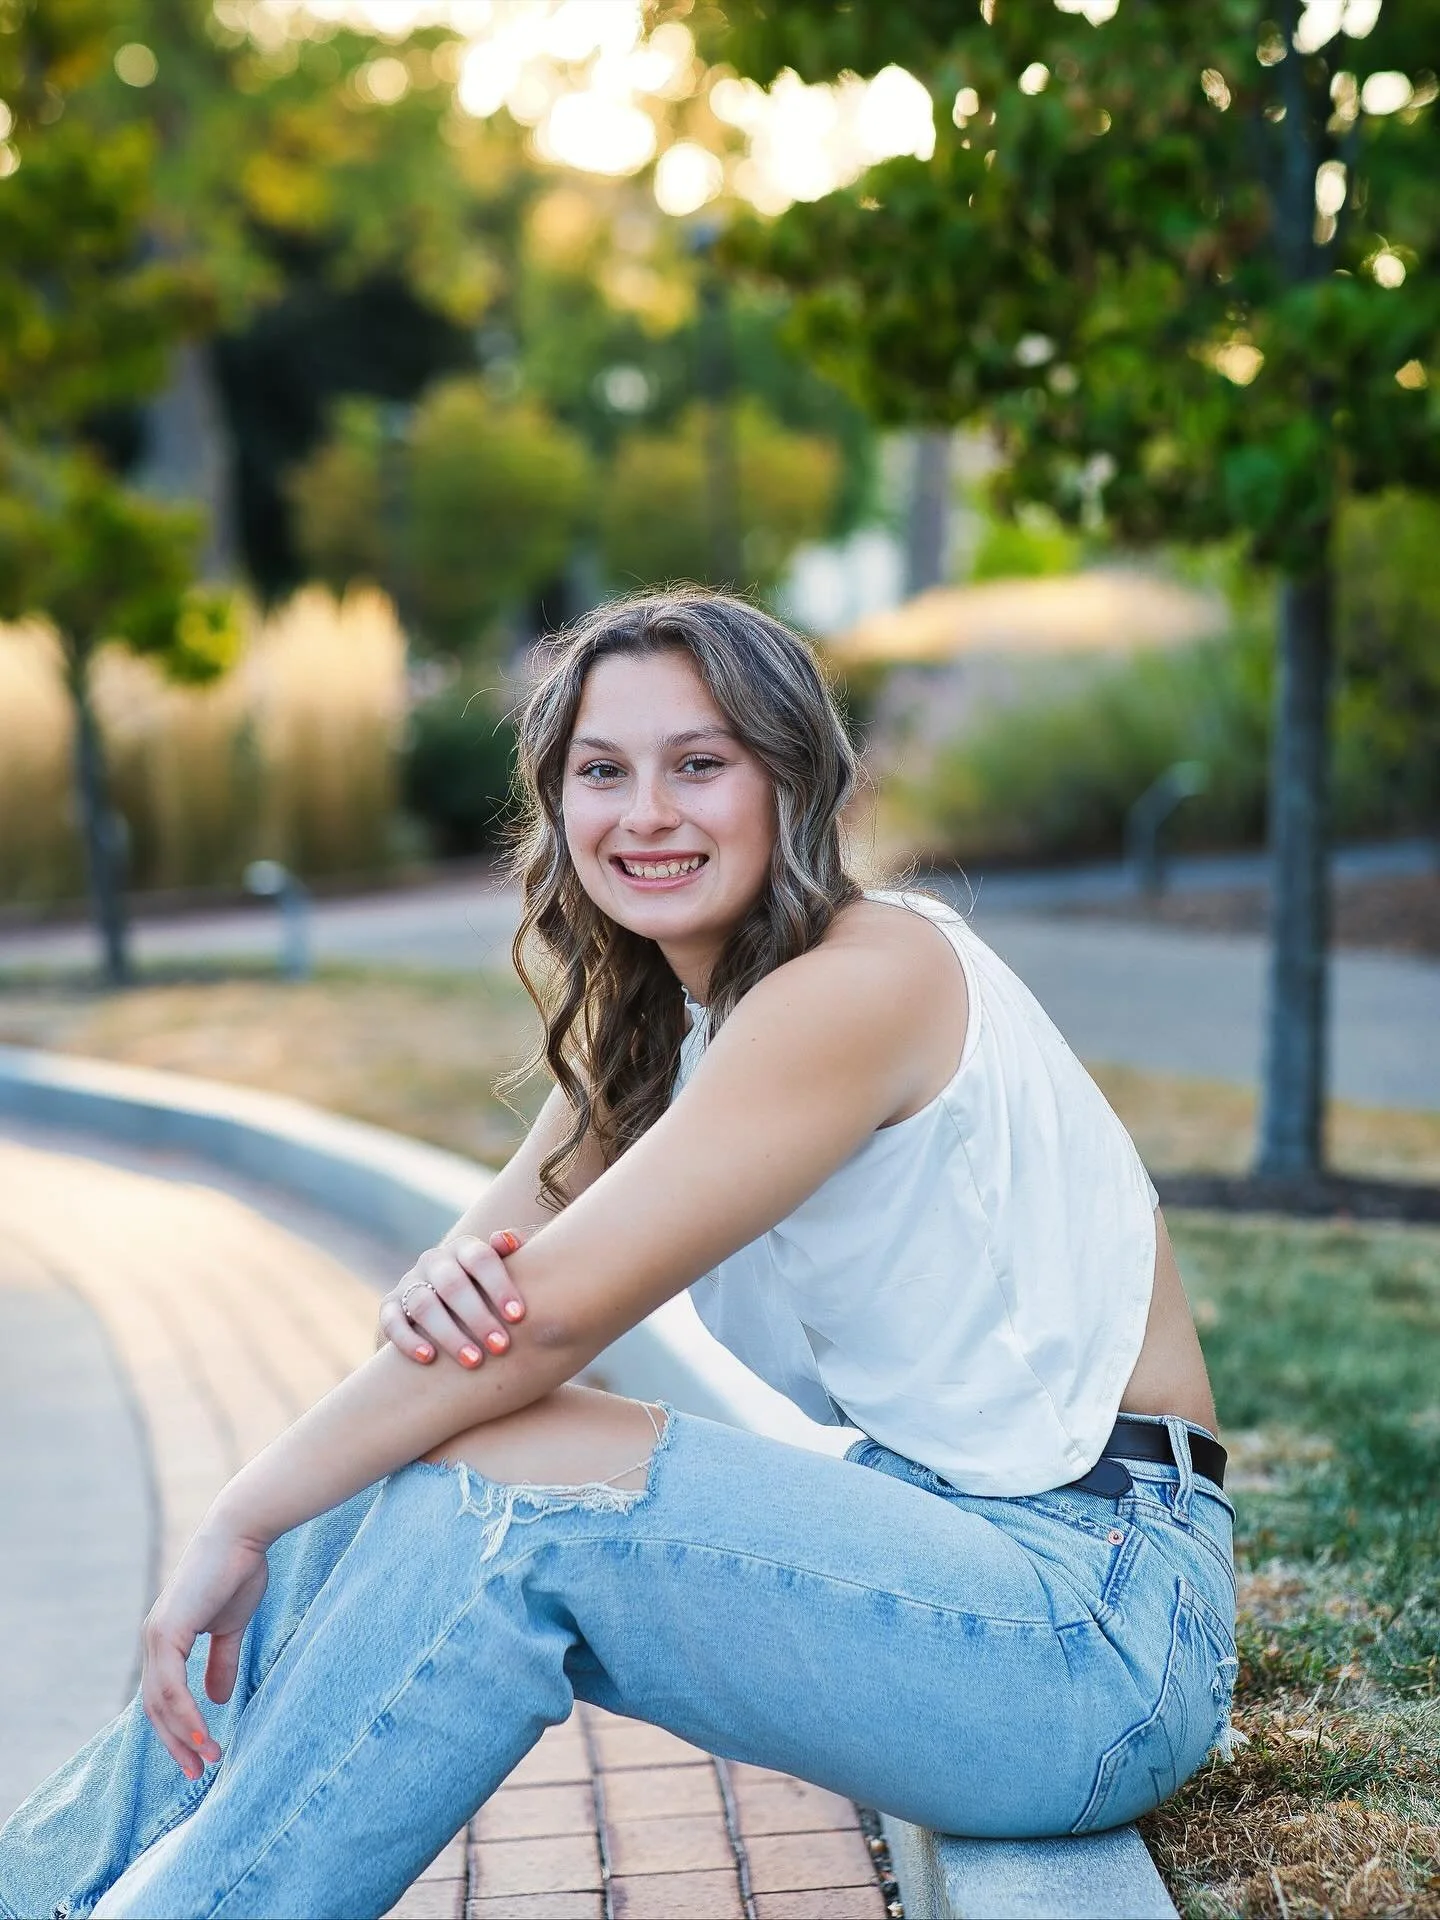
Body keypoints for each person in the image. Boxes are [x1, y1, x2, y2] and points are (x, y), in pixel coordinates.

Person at [0, 590, 1236, 1920]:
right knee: (427, 1454)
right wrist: (433, 1295)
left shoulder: (865, 981)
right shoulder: (660, 1025)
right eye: (604, 771)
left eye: (699, 764)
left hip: (1097, 1622)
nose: (647, 813)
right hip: (956, 1561)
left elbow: (534, 1330)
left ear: (792, 782)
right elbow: (451, 1332)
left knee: (520, 1499)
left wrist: (240, 1516)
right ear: (559, 804)